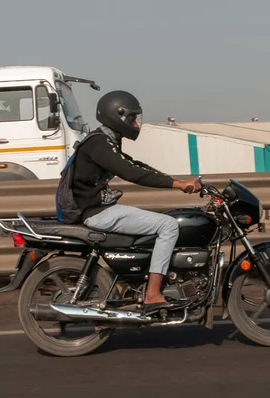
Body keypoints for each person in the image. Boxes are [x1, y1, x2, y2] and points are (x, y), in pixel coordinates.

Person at [70, 90, 201, 314]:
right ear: (117, 116)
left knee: (159, 222)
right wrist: (176, 185)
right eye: (132, 119)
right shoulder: (99, 144)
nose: (136, 124)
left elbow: (136, 165)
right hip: (96, 213)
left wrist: (176, 181)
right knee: (168, 225)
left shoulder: (104, 141)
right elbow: (131, 173)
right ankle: (152, 294)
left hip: (99, 209)